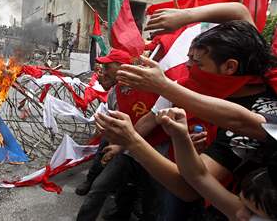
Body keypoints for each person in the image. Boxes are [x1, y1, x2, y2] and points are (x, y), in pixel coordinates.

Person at [96, 20, 277, 219]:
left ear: (230, 67)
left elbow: (189, 186)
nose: (188, 66)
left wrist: (132, 140)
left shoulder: (260, 114)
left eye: (197, 62)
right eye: (188, 58)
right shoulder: (209, 88)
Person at [156, 107, 277, 221]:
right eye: (240, 202)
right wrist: (180, 136)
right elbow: (199, 176)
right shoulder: (253, 205)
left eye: (253, 213)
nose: (239, 214)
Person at [75, 49, 131, 196]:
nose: (103, 72)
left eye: (107, 67)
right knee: (102, 152)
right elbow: (109, 111)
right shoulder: (114, 91)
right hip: (114, 133)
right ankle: (90, 180)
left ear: (122, 67)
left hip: (132, 137)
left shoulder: (137, 89)